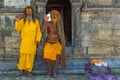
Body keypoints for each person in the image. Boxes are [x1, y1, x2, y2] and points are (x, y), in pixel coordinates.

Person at [14, 6, 42, 77]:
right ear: (25, 12)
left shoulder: (36, 21)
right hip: (24, 43)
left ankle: (29, 72)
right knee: (22, 57)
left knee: (31, 58)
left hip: (32, 43)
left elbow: (38, 32)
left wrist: (38, 40)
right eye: (27, 11)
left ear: (32, 12)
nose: (29, 12)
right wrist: (17, 21)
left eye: (30, 11)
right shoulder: (23, 21)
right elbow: (18, 28)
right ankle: (20, 71)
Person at [42, 10, 66, 78]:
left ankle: (54, 71)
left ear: (58, 16)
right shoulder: (48, 23)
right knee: (46, 56)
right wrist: (45, 22)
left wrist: (62, 43)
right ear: (50, 16)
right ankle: (50, 71)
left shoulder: (60, 24)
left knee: (58, 56)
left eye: (55, 15)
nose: (54, 16)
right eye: (52, 15)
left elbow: (62, 34)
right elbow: (42, 30)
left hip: (57, 43)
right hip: (49, 43)